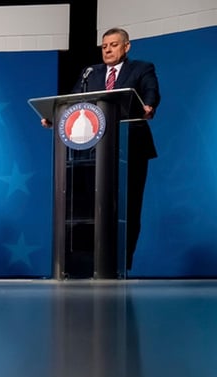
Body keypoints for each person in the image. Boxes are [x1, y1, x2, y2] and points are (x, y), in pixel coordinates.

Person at [42, 27, 160, 271]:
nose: (107, 49)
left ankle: (121, 263)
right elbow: (72, 99)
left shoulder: (141, 68)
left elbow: (151, 91)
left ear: (126, 47)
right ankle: (93, 261)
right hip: (93, 151)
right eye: (104, 45)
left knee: (129, 206)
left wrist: (149, 104)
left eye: (113, 45)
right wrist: (55, 116)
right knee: (92, 205)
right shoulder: (90, 73)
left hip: (132, 146)